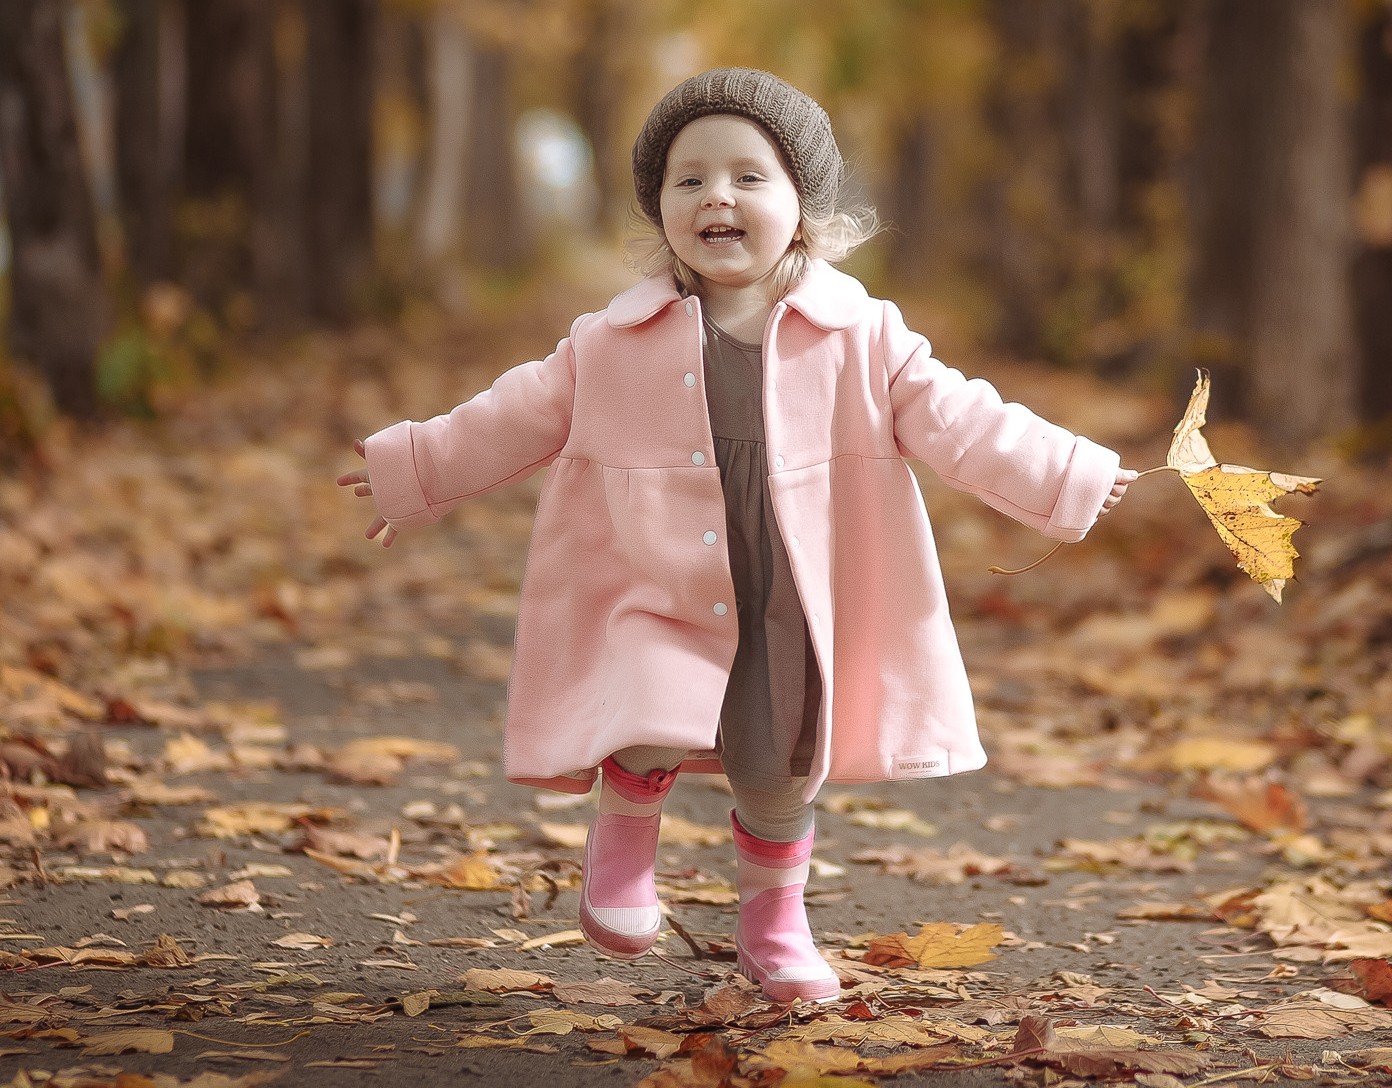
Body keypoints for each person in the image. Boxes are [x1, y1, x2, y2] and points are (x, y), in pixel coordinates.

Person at [341, 68, 1136, 1003]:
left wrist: (1063, 472)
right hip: (657, 572)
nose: (718, 195)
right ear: (660, 210)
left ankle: (774, 924)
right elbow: (511, 416)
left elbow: (960, 417)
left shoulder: (864, 336)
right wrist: (415, 472)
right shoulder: (608, 342)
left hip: (794, 589)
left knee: (780, 763)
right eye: (690, 180)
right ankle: (624, 844)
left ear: (803, 207)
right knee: (645, 710)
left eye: (749, 177)